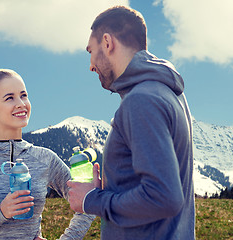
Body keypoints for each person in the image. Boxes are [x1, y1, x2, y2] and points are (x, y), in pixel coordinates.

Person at [67, 6, 195, 239]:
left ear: (107, 42)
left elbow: (164, 197)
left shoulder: (142, 100)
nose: (91, 65)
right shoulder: (167, 92)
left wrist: (91, 200)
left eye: (91, 51)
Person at [0, 69, 94, 240]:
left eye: (23, 95)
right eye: (9, 98)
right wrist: (2, 211)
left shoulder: (45, 159)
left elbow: (88, 202)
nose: (21, 103)